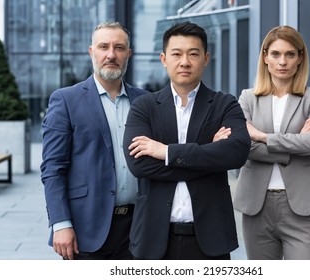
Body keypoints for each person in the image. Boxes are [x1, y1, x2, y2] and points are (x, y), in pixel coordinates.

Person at [122, 21, 251, 260]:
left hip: (210, 238)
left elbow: (237, 153)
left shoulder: (225, 104)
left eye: (193, 54)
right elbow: (138, 164)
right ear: (164, 59)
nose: (185, 61)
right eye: (177, 54)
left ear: (206, 58)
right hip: (155, 238)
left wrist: (167, 153)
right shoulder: (144, 106)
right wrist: (210, 154)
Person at [40, 22, 148, 260]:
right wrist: (60, 223)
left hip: (140, 228)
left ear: (128, 54)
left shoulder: (146, 101)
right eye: (104, 47)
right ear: (92, 52)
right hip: (86, 229)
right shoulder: (66, 100)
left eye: (119, 48)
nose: (111, 54)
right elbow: (52, 169)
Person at [233, 25, 310, 260]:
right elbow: (241, 146)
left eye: (290, 54)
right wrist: (295, 143)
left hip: (302, 205)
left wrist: (262, 136)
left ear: (300, 58)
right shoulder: (248, 98)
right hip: (257, 204)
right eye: (276, 54)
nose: (283, 62)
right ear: (265, 57)